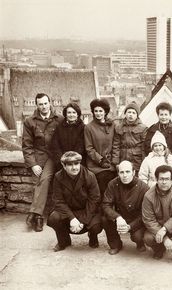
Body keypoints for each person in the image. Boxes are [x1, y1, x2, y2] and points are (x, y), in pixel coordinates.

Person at [23, 93, 63, 232]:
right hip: (38, 157)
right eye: (41, 104)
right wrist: (33, 164)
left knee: (45, 178)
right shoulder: (30, 121)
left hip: (53, 157)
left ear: (50, 102)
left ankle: (36, 214)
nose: (44, 106)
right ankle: (37, 216)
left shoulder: (59, 119)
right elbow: (27, 145)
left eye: (46, 103)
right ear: (37, 105)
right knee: (39, 180)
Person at [47, 151, 102, 252]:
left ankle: (93, 236)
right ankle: (63, 241)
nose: (74, 168)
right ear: (63, 165)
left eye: (76, 164)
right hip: (69, 211)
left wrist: (83, 220)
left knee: (96, 226)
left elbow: (95, 200)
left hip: (86, 210)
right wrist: (72, 218)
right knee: (54, 218)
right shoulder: (58, 177)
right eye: (70, 165)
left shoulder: (90, 176)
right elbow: (58, 200)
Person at [142, 165, 172, 267]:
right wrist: (164, 239)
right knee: (148, 238)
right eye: (161, 179)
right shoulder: (148, 196)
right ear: (156, 180)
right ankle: (159, 249)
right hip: (158, 227)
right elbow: (148, 220)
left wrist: (165, 229)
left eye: (167, 179)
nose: (164, 182)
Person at [102, 160, 149, 255]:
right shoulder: (113, 184)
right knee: (104, 219)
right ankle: (115, 244)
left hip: (136, 219)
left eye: (127, 172)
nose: (124, 175)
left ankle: (140, 243)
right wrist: (117, 217)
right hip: (120, 216)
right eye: (121, 172)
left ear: (133, 172)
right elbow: (106, 204)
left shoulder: (143, 187)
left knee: (137, 237)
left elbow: (145, 213)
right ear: (118, 173)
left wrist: (130, 226)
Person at [84, 98, 116, 197]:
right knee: (103, 182)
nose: (98, 113)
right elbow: (89, 148)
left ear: (105, 112)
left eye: (100, 111)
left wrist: (114, 161)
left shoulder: (112, 125)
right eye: (96, 111)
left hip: (111, 164)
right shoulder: (89, 127)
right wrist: (100, 160)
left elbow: (116, 143)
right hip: (96, 165)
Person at [111, 102, 147, 175]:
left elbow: (144, 147)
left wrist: (144, 162)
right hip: (123, 158)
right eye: (129, 112)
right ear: (125, 113)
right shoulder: (118, 127)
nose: (131, 115)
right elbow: (116, 145)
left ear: (137, 115)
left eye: (134, 113)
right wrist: (116, 162)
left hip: (137, 160)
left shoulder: (143, 128)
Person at [51, 102, 86, 171]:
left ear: (77, 114)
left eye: (74, 112)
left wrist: (71, 160)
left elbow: (81, 146)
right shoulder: (59, 127)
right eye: (69, 112)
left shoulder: (83, 128)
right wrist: (62, 159)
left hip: (77, 161)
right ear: (66, 114)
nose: (71, 115)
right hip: (62, 161)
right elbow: (55, 145)